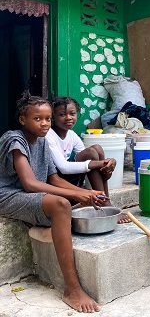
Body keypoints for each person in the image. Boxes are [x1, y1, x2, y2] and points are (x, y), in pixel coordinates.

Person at [0, 93, 104, 312]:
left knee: (74, 202)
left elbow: (53, 178)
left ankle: (43, 227)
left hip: (28, 195)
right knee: (62, 205)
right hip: (8, 195)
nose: (45, 123)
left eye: (47, 119)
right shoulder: (14, 139)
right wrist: (75, 195)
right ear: (22, 120)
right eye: (38, 119)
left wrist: (87, 193)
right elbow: (29, 183)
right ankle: (72, 289)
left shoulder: (42, 142)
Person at [46, 96, 130, 223]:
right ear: (53, 117)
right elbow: (64, 167)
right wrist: (99, 163)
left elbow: (87, 157)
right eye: (62, 114)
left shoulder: (71, 135)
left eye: (72, 114)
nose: (68, 117)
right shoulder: (49, 135)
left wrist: (106, 166)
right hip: (57, 182)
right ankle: (105, 203)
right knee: (92, 153)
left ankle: (104, 200)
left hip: (71, 179)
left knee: (97, 149)